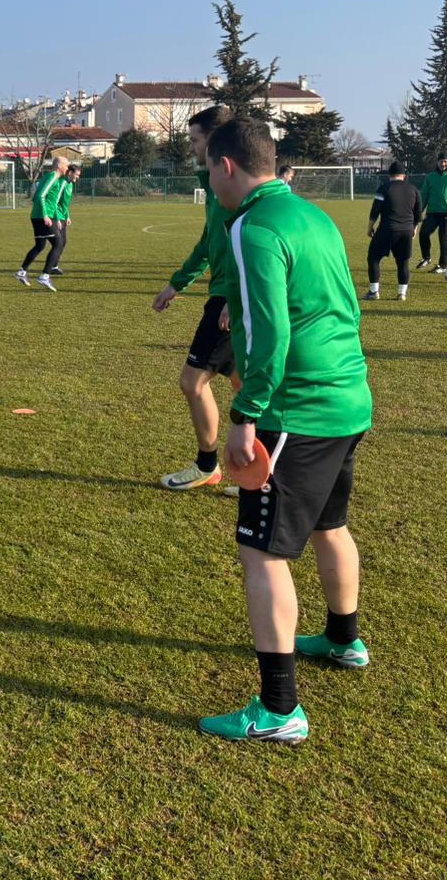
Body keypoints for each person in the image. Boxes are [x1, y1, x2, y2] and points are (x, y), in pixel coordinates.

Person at [203, 117, 373, 745]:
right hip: (347, 400)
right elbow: (344, 306)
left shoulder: (253, 226)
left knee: (263, 553)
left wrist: (246, 415)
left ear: (227, 166)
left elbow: (268, 332)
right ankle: (343, 640)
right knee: (330, 524)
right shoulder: (314, 215)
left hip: (293, 411)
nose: (209, 181)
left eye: (207, 167)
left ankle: (279, 711)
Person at [152, 105, 241, 491]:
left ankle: (209, 466)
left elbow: (251, 243)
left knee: (193, 382)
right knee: (244, 385)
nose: (190, 147)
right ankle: (263, 475)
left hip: (229, 299)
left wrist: (234, 298)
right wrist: (177, 283)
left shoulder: (235, 188)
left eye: (194, 140)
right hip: (227, 295)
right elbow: (209, 242)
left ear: (214, 141)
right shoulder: (214, 185)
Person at [364, 160, 423, 301]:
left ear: (389, 175)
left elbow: (375, 210)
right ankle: (402, 293)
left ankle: (374, 292)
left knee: (373, 258)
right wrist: (414, 229)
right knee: (403, 262)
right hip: (406, 230)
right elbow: (418, 214)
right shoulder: (414, 190)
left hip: (387, 229)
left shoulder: (383, 188)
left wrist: (370, 227)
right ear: (404, 175)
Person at [14, 155, 69, 292]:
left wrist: (56, 218)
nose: (67, 168)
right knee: (58, 244)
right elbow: (40, 196)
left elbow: (47, 200)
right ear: (59, 166)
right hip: (43, 217)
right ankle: (45, 276)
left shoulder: (49, 177)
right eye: (66, 165)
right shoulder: (52, 177)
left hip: (38, 216)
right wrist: (45, 214)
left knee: (40, 246)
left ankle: (21, 272)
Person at [43, 165, 81, 276]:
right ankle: (51, 267)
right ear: (70, 173)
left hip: (63, 217)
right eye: (76, 175)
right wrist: (57, 219)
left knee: (62, 242)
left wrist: (67, 216)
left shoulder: (70, 184)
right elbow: (55, 201)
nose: (78, 177)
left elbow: (64, 203)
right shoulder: (62, 183)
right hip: (56, 216)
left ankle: (53, 266)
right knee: (58, 243)